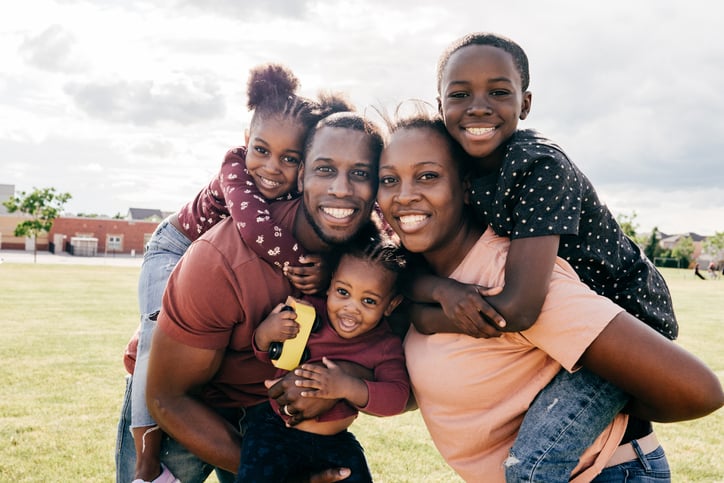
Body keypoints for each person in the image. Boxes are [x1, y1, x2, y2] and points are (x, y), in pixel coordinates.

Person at [375, 114, 723, 482]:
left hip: (602, 473)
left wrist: (593, 414)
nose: (405, 194)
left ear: (465, 186)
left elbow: (698, 391)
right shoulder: (419, 275)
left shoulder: (508, 276)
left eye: (428, 175)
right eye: (389, 180)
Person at [418, 31, 682, 481]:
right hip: (577, 333)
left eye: (498, 92)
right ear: (440, 104)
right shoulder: (460, 167)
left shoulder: (540, 167)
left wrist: (429, 317)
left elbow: (520, 307)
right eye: (460, 94)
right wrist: (437, 289)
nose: (478, 105)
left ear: (525, 104)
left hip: (628, 326)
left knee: (531, 469)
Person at [116, 64, 350, 483]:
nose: (272, 167)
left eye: (290, 158)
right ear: (246, 142)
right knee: (155, 334)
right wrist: (305, 266)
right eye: (262, 150)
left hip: (250, 397)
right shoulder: (236, 172)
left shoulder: (302, 197)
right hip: (174, 247)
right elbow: (257, 231)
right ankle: (147, 453)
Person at [142, 111, 385, 482]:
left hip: (270, 415)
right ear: (302, 176)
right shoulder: (222, 257)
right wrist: (273, 475)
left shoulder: (373, 264)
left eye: (360, 173)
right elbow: (167, 397)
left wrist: (342, 378)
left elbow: (405, 373)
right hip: (195, 406)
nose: (341, 188)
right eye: (325, 169)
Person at [236, 233, 409, 482]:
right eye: (343, 292)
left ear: (391, 305)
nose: (351, 308)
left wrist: (345, 386)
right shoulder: (309, 312)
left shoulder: (384, 345)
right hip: (275, 432)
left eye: (368, 301)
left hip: (335, 442)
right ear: (329, 285)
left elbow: (396, 398)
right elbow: (267, 355)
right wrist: (266, 333)